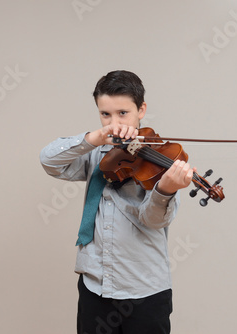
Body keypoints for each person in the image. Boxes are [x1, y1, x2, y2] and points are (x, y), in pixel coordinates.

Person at [40, 70, 194, 334]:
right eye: (105, 114)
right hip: (95, 286)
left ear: (141, 109)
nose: (114, 122)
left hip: (145, 291)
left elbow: (154, 220)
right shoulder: (94, 154)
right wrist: (95, 138)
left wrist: (165, 190)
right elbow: (49, 161)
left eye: (123, 113)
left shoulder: (159, 157)